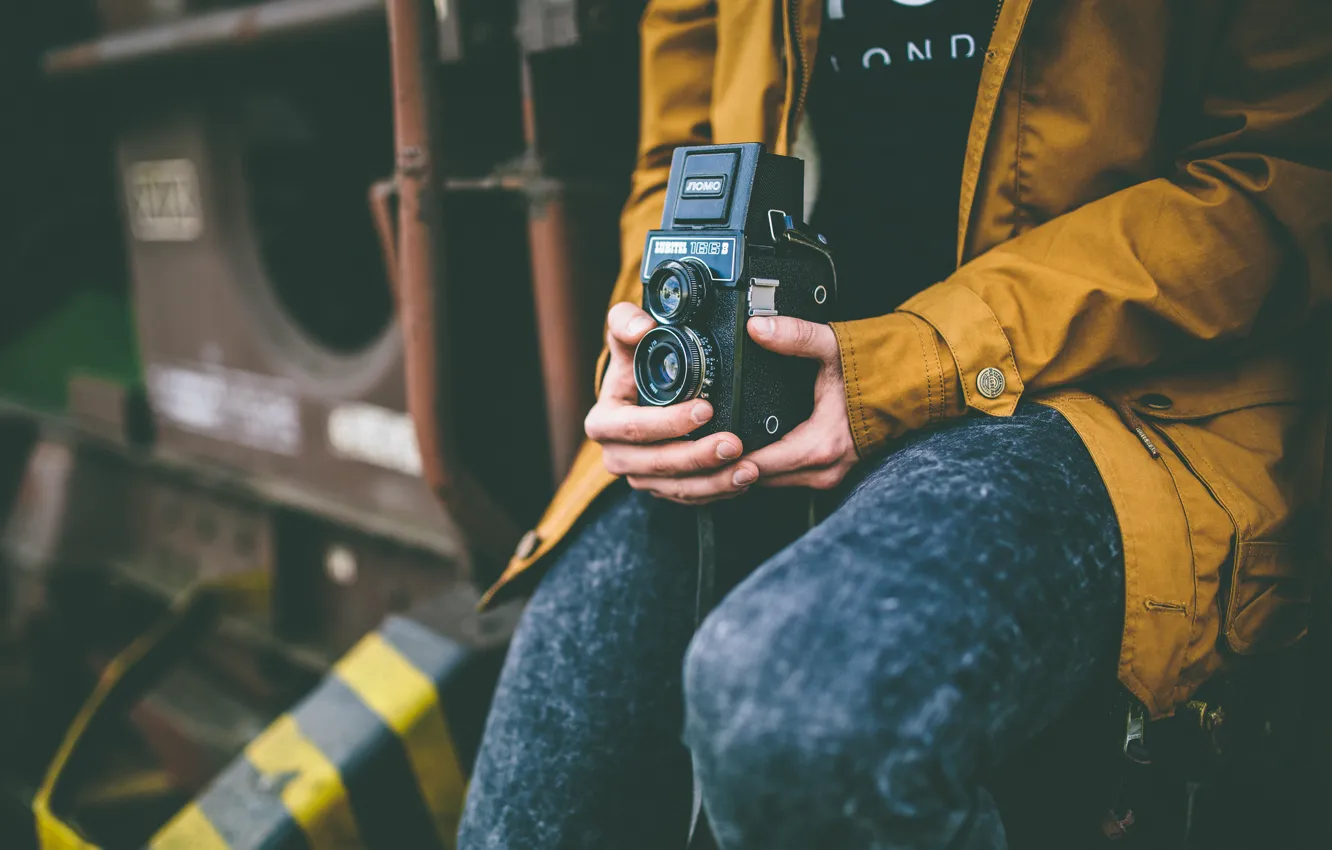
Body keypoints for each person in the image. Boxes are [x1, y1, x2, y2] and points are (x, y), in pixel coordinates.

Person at [458, 1, 1332, 847]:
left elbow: (1285, 176)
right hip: (760, 385)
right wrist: (656, 335)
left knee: (800, 711)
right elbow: (677, 160)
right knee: (537, 794)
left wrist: (922, 361)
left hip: (1111, 397)